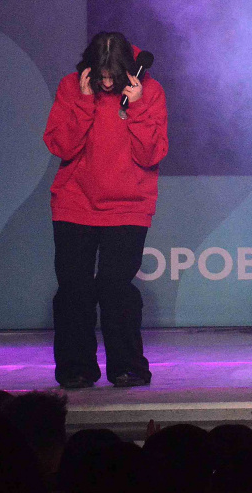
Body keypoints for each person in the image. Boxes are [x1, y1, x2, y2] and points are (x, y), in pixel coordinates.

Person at [43, 32, 167, 389]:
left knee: (115, 287)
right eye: (102, 76)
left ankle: (127, 366)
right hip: (74, 204)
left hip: (128, 206)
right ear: (90, 69)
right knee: (73, 288)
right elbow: (61, 146)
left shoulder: (149, 91)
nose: (108, 83)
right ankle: (76, 367)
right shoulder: (72, 86)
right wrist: (84, 102)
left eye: (114, 75)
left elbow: (152, 154)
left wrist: (137, 107)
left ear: (128, 69)